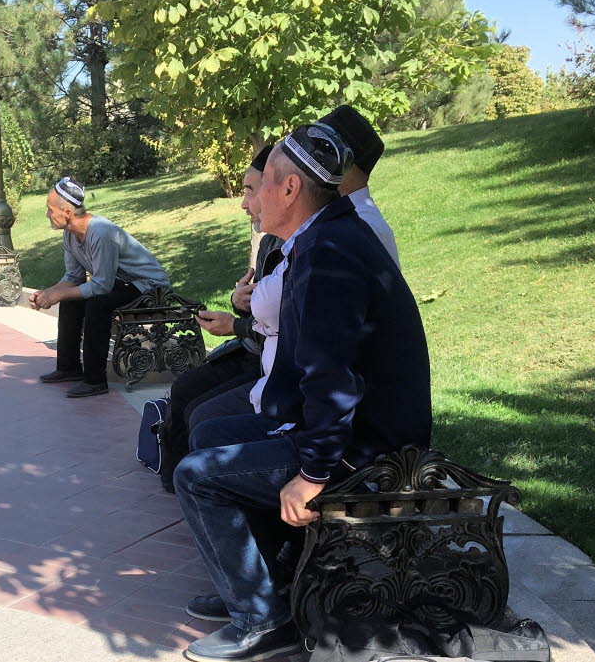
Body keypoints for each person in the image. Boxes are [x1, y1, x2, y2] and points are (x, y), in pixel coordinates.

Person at [175, 124, 432, 662]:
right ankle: (260, 583)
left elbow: (332, 381)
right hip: (352, 430)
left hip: (368, 450)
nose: (251, 197)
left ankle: (264, 623)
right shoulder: (325, 236)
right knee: (210, 434)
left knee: (196, 477)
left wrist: (312, 476)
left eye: (261, 183)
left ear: (289, 190)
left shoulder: (328, 255)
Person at [187, 104, 400, 429]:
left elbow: (308, 328)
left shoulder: (352, 228)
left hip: (321, 406)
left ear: (342, 160)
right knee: (196, 416)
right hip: (291, 384)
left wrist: (240, 321)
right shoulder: (330, 224)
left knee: (203, 431)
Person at [157, 146, 285, 492]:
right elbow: (262, 306)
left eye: (249, 190)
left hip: (270, 367)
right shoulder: (273, 240)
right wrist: (238, 302)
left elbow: (287, 331)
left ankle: (199, 488)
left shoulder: (306, 247)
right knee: (184, 390)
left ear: (286, 189)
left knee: (203, 416)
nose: (244, 204)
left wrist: (235, 323)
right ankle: (179, 486)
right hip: (253, 351)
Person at [33, 177, 170, 398]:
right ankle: (68, 367)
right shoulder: (70, 235)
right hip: (123, 283)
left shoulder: (101, 233)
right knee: (72, 300)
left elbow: (101, 285)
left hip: (150, 287)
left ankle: (95, 381)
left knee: (98, 304)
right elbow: (73, 276)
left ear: (67, 212)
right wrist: (49, 293)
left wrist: (58, 294)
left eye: (50, 210)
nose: (47, 215)